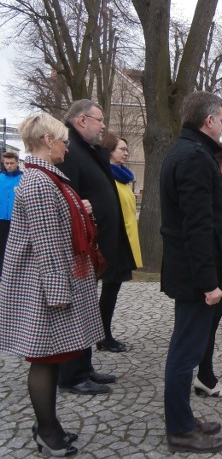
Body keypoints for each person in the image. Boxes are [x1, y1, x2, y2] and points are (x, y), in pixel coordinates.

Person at [0, 112, 103, 457]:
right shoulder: (41, 182)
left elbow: (56, 225)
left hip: (46, 284)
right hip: (44, 287)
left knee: (52, 357)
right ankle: (46, 431)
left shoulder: (45, 178)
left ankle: (50, 425)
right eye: (63, 140)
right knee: (44, 359)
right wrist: (59, 295)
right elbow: (47, 244)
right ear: (47, 141)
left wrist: (79, 207)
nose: (66, 147)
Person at [160, 91, 222, 454]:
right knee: (185, 353)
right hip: (194, 277)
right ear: (207, 121)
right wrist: (209, 282)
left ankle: (185, 421)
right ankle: (180, 430)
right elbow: (197, 226)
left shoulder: (190, 151)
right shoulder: (194, 157)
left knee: (185, 349)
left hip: (189, 272)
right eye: (221, 119)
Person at [57, 100, 137, 394]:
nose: (103, 125)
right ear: (81, 120)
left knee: (87, 308)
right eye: (99, 120)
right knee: (77, 311)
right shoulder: (68, 150)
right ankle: (72, 375)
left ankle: (84, 367)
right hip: (81, 247)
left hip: (95, 246)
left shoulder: (87, 150)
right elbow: (66, 198)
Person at [193, 143, 222, 399]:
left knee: (209, 328)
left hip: (219, 267)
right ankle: (204, 376)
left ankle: (206, 375)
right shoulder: (212, 187)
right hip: (209, 271)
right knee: (203, 329)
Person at [97, 133, 143, 352]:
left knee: (112, 290)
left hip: (123, 242)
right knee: (109, 290)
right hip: (112, 243)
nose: (125, 153)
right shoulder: (107, 177)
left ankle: (104, 334)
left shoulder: (123, 177)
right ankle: (103, 336)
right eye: (121, 149)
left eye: (126, 149)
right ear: (109, 151)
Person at [0, 150, 23, 276]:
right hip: (1, 218)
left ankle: (14, 273)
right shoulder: (0, 178)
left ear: (17, 163)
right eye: (6, 163)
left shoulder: (23, 178)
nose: (9, 166)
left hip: (16, 219)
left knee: (14, 248)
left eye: (11, 163)